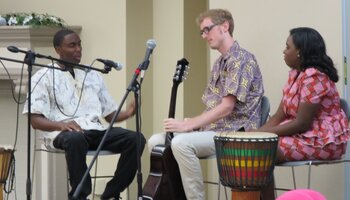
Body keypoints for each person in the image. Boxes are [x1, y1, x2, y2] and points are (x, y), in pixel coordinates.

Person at [147, 9, 264, 200]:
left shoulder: (241, 59)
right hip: (214, 130)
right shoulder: (219, 63)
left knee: (181, 144)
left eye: (207, 30)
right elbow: (213, 107)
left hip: (236, 132)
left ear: (225, 26)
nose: (204, 36)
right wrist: (194, 124)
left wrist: (188, 124)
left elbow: (227, 107)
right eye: (202, 32)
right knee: (156, 142)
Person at [22, 29, 146, 200]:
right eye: (72, 45)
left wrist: (128, 113)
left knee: (136, 139)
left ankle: (111, 192)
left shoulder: (92, 74)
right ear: (58, 49)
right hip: (64, 133)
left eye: (79, 44)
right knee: (75, 139)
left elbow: (110, 116)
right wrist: (62, 125)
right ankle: (80, 195)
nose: (78, 49)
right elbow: (35, 120)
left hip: (96, 130)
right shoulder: (42, 77)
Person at [257, 27, 349, 199]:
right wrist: (255, 135)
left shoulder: (315, 76)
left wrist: (262, 135)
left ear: (300, 52)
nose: (284, 51)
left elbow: (302, 123)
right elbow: (278, 117)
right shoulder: (295, 75)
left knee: (263, 151)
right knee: (253, 146)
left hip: (322, 139)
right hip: (302, 135)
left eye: (287, 47)